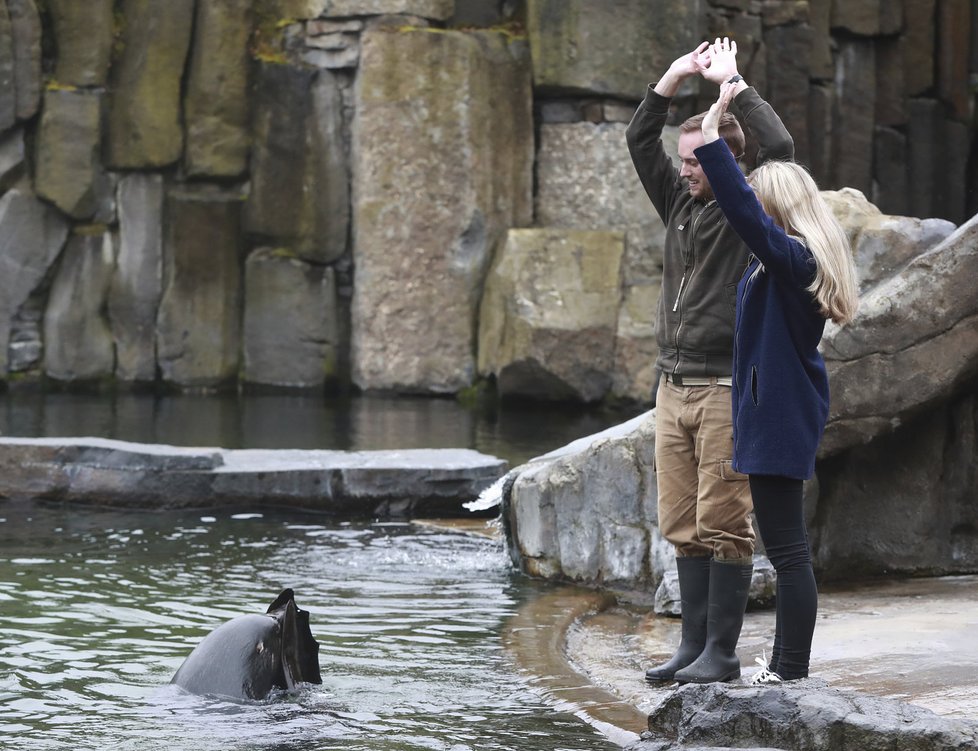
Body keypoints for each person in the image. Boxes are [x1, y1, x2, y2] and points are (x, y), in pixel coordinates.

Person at [626, 37, 794, 685]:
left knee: (725, 522)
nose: (685, 171)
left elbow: (778, 149)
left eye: (697, 163)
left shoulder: (744, 211)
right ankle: (692, 648)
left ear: (723, 161)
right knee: (681, 522)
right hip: (673, 387)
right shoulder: (678, 206)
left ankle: (721, 655)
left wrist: (737, 87)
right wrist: (672, 76)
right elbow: (643, 141)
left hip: (726, 385)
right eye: (685, 163)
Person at [695, 43, 859, 683]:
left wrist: (712, 132)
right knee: (788, 552)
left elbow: (742, 206)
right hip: (777, 418)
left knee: (789, 556)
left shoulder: (794, 261)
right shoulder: (786, 263)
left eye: (761, 200)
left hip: (780, 421)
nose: (752, 206)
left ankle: (790, 670)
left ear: (779, 210)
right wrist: (729, 87)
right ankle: (789, 666)